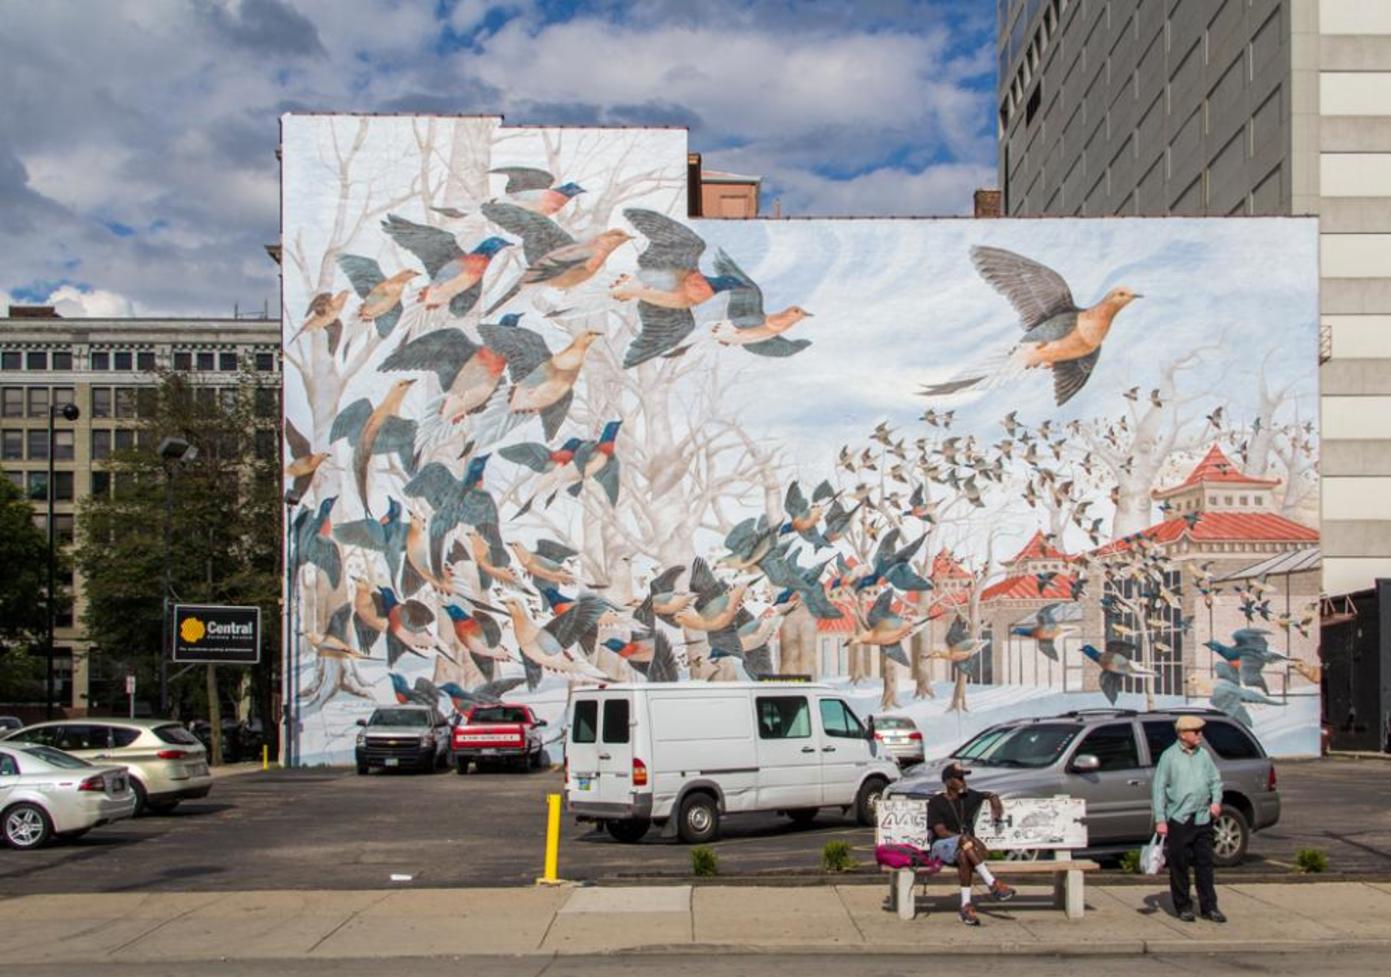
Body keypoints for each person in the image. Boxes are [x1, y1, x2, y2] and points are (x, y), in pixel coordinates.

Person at [1152, 714, 1227, 923]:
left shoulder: (1203, 755)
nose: (1200, 735)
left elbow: (1216, 781)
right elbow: (1158, 789)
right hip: (1179, 819)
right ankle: (1183, 906)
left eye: (1200, 731)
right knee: (1179, 865)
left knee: (1205, 864)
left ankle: (1209, 907)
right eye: (1196, 732)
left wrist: (1216, 802)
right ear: (1183, 734)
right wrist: (1160, 819)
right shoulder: (1169, 757)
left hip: (1202, 817)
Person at [927, 761, 1015, 926]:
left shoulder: (969, 796)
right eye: (958, 778)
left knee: (964, 856)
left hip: (965, 851)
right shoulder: (936, 802)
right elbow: (941, 832)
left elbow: (989, 794)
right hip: (941, 848)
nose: (963, 781)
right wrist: (966, 839)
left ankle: (965, 907)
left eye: (964, 778)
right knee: (964, 840)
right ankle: (992, 883)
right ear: (948, 782)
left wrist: (995, 803)